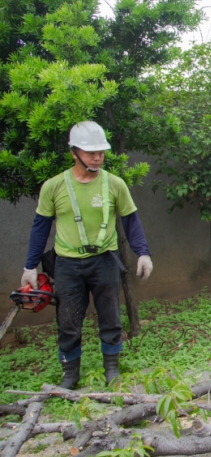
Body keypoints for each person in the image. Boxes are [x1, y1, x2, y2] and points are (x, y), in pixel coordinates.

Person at [20, 121, 154, 389]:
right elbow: (40, 227)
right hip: (67, 265)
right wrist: (30, 267)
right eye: (91, 152)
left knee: (110, 317)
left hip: (105, 261)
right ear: (74, 152)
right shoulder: (53, 186)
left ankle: (112, 370)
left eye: (101, 152)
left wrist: (143, 253)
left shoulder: (114, 184)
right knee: (68, 321)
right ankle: (70, 375)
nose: (97, 157)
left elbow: (131, 221)